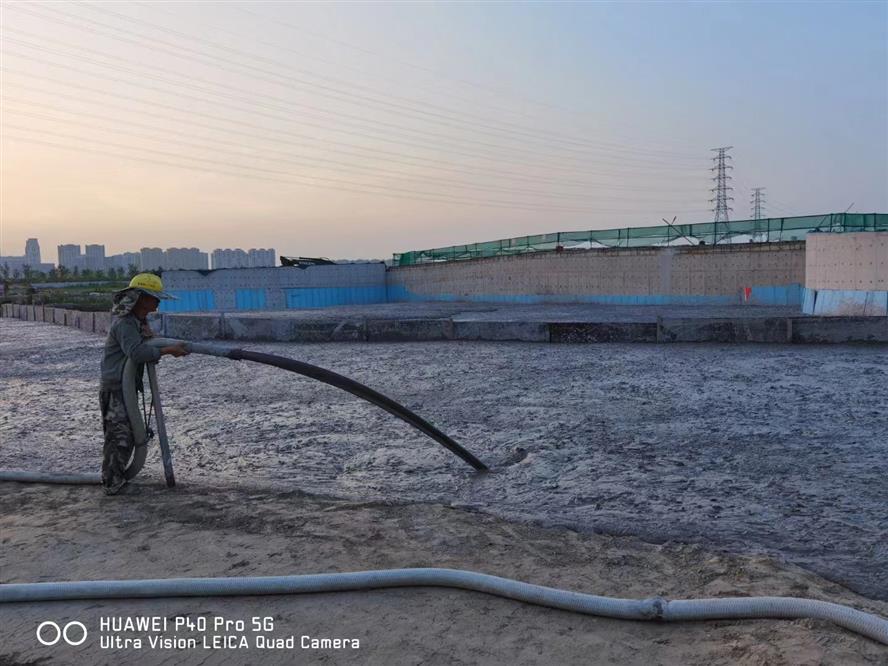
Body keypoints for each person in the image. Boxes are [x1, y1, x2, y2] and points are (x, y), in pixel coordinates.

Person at [99, 273, 188, 495]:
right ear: (140, 297)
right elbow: (137, 353)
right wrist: (168, 350)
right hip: (116, 387)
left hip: (127, 387)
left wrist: (155, 341)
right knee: (119, 435)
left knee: (133, 432)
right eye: (153, 297)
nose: (158, 302)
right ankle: (112, 483)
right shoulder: (124, 323)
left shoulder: (138, 321)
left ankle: (119, 477)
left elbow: (145, 344)